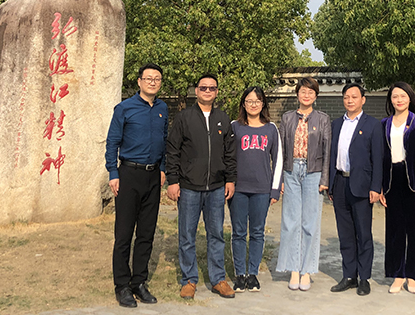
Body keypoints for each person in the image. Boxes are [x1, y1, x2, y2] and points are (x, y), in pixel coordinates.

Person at [166, 74, 237, 300]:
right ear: (196, 91)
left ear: (216, 92)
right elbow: (172, 150)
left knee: (216, 234)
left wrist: (230, 179)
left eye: (211, 88)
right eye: (203, 87)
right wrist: (173, 181)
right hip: (189, 187)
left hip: (216, 187)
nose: (207, 91)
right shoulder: (184, 118)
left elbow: (230, 152)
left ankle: (218, 279)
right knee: (187, 234)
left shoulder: (223, 118)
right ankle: (189, 279)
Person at [105, 63, 168, 308]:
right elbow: (112, 142)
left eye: (157, 78)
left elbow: (164, 140)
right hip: (128, 175)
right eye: (148, 78)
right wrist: (113, 173)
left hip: (153, 177)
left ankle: (139, 282)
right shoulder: (124, 108)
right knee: (124, 234)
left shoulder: (162, 109)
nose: (152, 82)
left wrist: (162, 168)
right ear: (139, 81)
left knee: (146, 233)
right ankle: (122, 286)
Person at [276, 77, 331, 291]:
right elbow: (281, 150)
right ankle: (293, 268)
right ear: (297, 94)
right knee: (290, 222)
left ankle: (306, 270)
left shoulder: (323, 119)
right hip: (291, 171)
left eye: (311, 92)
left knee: (310, 223)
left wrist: (324, 179)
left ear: (316, 96)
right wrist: (279, 178)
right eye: (303, 91)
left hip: (313, 173)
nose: (306, 95)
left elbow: (327, 151)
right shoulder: (287, 118)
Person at [329, 83, 383, 296]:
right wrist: (331, 184)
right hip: (340, 183)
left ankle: (364, 278)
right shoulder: (336, 124)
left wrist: (376, 186)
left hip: (362, 185)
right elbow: (332, 155)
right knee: (345, 234)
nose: (350, 100)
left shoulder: (373, 125)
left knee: (363, 233)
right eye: (346, 97)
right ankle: (349, 275)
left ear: (363, 99)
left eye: (354, 97)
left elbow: (378, 158)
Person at [379, 82, 415, 295]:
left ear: (410, 98)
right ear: (390, 100)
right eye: (395, 97)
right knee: (395, 229)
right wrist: (381, 187)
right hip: (392, 180)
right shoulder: (384, 124)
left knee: (414, 229)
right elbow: (380, 157)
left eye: (403, 96)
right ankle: (398, 274)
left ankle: (413, 275)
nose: (399, 100)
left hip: (413, 181)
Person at [229, 86, 283, 293]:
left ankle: (253, 274)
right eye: (249, 101)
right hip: (238, 189)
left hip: (262, 189)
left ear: (263, 104)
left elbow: (278, 160)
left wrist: (275, 189)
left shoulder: (271, 129)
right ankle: (239, 274)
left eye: (257, 101)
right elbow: (227, 157)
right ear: (243, 104)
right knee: (238, 232)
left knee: (258, 232)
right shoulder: (234, 127)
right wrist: (227, 182)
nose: (253, 105)